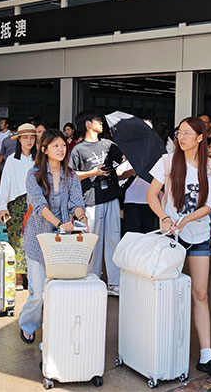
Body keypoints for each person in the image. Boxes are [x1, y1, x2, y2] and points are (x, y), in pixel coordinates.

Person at [146, 117, 211, 381]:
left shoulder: (210, 166)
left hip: (198, 235)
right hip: (171, 235)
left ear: (200, 138)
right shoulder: (167, 161)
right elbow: (152, 195)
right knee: (168, 292)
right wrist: (164, 217)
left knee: (200, 294)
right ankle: (163, 350)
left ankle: (206, 355)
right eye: (179, 133)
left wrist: (186, 219)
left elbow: (208, 205)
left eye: (187, 133)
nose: (181, 137)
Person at [18, 130, 88, 344]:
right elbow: (39, 205)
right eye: (55, 146)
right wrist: (59, 224)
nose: (61, 149)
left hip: (62, 241)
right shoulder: (34, 175)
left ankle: (54, 332)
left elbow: (77, 203)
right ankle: (28, 324)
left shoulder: (71, 175)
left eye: (63, 145)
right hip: (38, 238)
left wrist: (82, 218)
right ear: (44, 149)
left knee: (58, 289)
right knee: (37, 291)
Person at [69, 111, 125, 297]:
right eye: (97, 120)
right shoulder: (79, 149)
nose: (101, 123)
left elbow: (123, 159)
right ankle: (92, 280)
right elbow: (71, 175)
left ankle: (115, 283)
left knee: (114, 238)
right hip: (91, 200)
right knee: (93, 240)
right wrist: (93, 173)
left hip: (111, 196)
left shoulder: (108, 144)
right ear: (87, 124)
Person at [0, 123, 38, 290]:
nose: (29, 141)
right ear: (19, 139)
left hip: (36, 203)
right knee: (17, 239)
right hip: (16, 203)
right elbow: (5, 183)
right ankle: (18, 276)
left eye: (32, 137)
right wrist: (2, 205)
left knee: (34, 240)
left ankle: (32, 274)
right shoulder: (12, 159)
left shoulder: (40, 159)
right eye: (25, 137)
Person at [121, 119, 157, 234]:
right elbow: (119, 175)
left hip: (152, 199)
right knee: (132, 235)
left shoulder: (157, 149)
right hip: (132, 198)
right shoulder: (130, 149)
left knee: (148, 235)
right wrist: (136, 170)